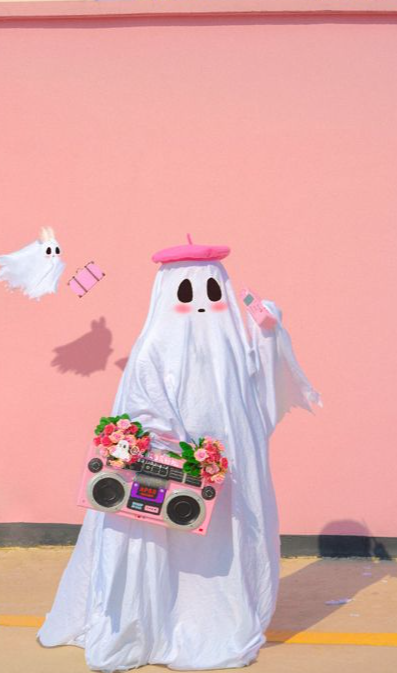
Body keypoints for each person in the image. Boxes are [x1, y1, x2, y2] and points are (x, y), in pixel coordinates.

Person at [37, 236, 321, 671]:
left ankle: (210, 618)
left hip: (227, 476)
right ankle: (154, 623)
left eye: (211, 291)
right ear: (169, 293)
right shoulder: (154, 345)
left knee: (218, 545)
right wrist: (177, 446)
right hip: (169, 474)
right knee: (166, 541)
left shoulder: (234, 343)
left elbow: (258, 392)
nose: (201, 303)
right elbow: (141, 403)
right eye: (187, 293)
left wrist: (269, 332)